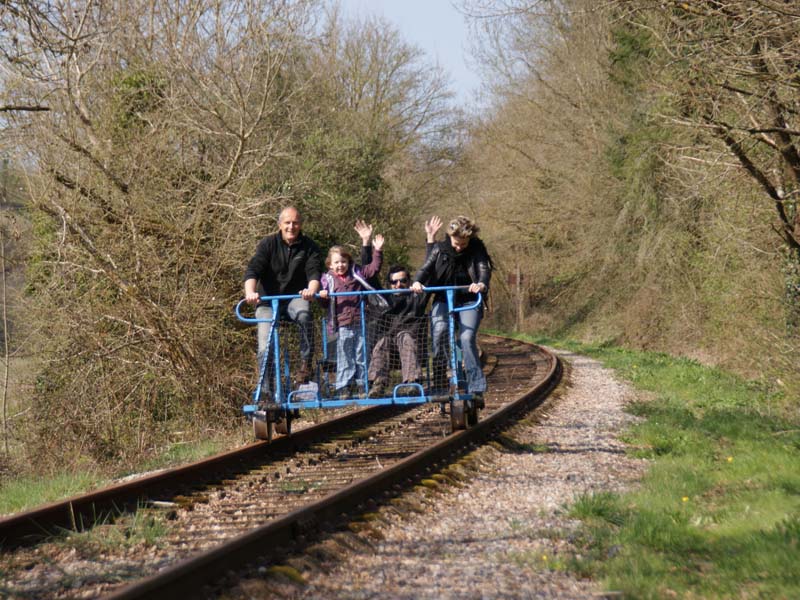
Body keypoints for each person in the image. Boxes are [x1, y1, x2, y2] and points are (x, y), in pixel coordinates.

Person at [410, 216, 492, 405]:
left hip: (468, 300)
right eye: (456, 243)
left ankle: (476, 386)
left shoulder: (477, 249)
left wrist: (480, 284)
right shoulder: (440, 249)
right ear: (450, 237)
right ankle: (439, 380)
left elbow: (483, 271)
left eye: (463, 244)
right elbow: (426, 269)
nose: (459, 247)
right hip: (443, 299)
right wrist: (417, 282)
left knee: (466, 338)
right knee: (439, 333)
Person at [243, 206, 322, 384]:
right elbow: (253, 269)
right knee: (265, 345)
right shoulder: (268, 244)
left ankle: (305, 364)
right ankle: (267, 390)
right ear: (280, 225)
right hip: (268, 301)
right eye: (287, 222)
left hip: (295, 298)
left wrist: (311, 290)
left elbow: (314, 273)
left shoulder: (310, 247)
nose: (291, 227)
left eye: (295, 223)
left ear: (300, 225)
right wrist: (250, 292)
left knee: (304, 314)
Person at [318, 234, 384, 396]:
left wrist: (377, 250)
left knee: (361, 353)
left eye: (343, 262)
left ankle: (362, 384)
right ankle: (344, 385)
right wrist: (323, 296)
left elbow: (373, 268)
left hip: (360, 321)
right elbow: (324, 304)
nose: (340, 265)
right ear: (330, 264)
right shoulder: (327, 280)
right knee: (345, 355)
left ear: (348, 262)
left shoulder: (356, 274)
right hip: (341, 323)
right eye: (336, 262)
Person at [366, 265, 429, 397]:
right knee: (383, 340)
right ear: (389, 284)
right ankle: (378, 383)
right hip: (390, 351)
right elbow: (369, 276)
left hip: (410, 347)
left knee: (404, 336)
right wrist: (369, 247)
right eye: (394, 282)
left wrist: (430, 244)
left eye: (403, 281)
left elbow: (427, 272)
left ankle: (413, 382)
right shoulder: (384, 300)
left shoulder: (417, 297)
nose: (398, 285)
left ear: (409, 282)